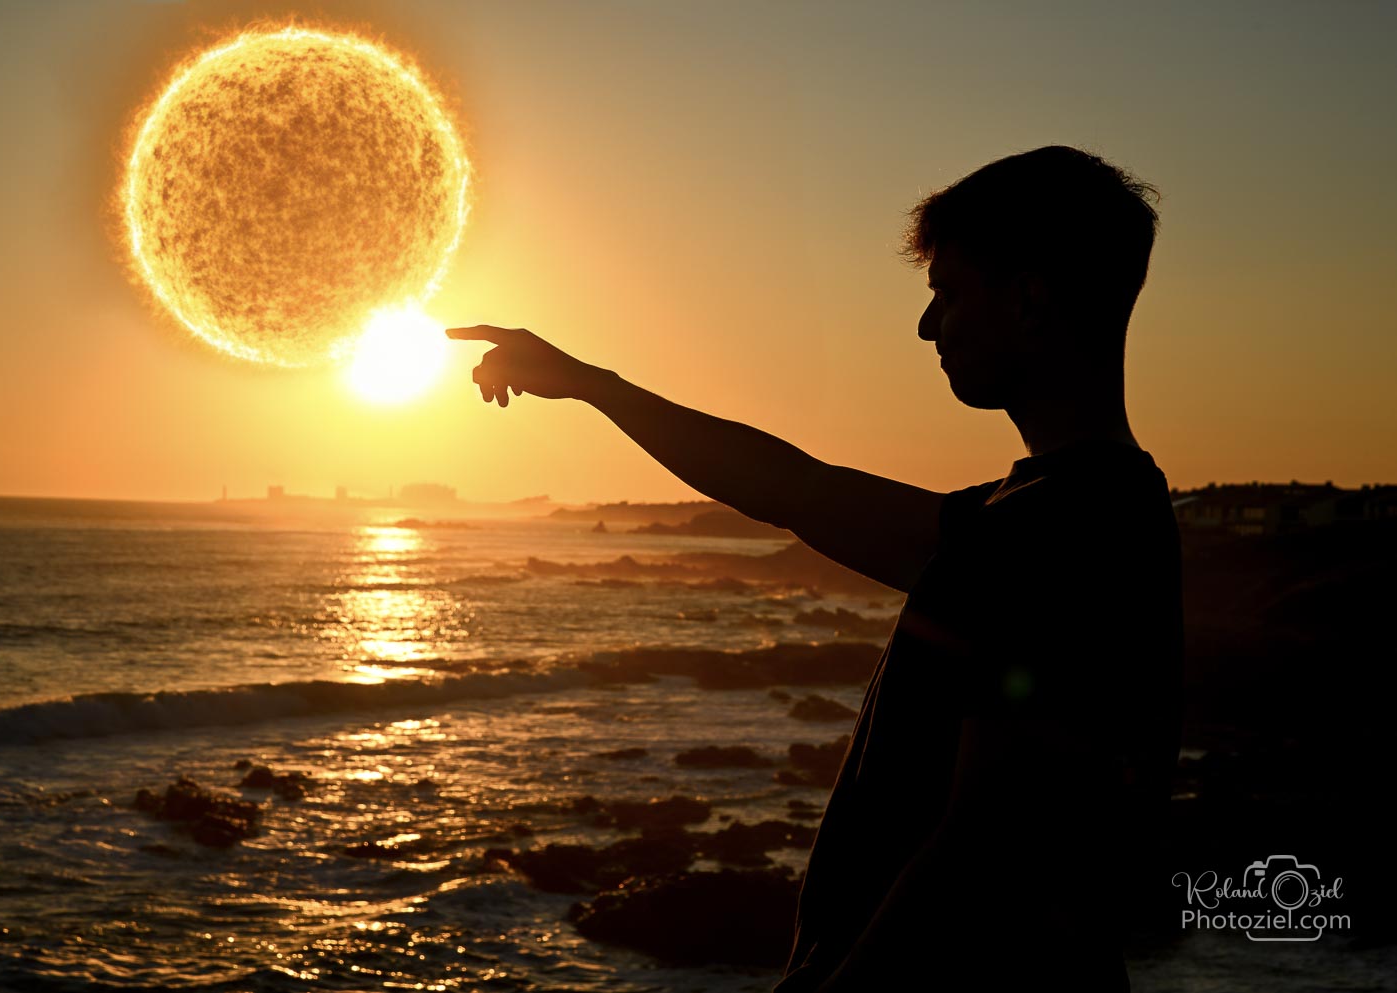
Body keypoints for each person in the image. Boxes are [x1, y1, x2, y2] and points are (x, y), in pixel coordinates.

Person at [447, 145, 1184, 991]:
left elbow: (985, 837)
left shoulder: (1056, 533)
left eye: (946, 291)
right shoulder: (1051, 513)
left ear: (1027, 301)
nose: (925, 324)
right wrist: (592, 384)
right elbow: (797, 489)